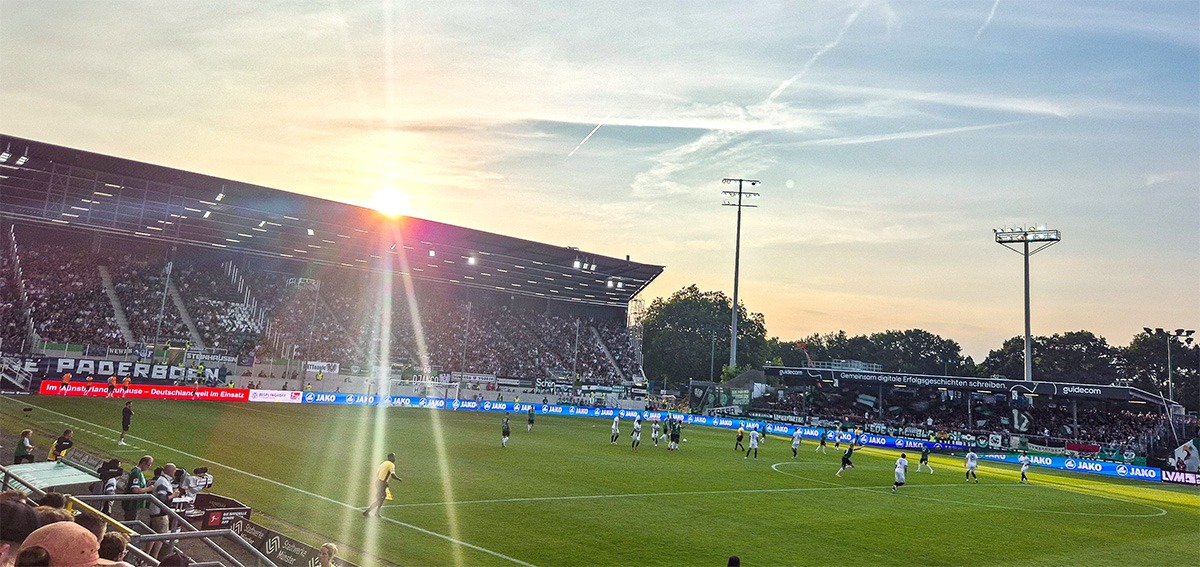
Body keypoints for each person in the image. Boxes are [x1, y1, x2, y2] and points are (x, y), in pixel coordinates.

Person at [148, 463, 179, 558]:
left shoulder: (163, 480)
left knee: (152, 536)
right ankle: (153, 559)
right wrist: (174, 495)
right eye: (174, 471)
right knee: (161, 538)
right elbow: (162, 498)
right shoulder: (163, 482)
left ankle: (145, 558)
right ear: (170, 471)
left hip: (156, 513)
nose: (175, 473)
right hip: (160, 515)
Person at [362, 453, 401, 517]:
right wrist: (399, 479)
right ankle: (367, 512)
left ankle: (376, 513)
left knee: (382, 498)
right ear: (391, 458)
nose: (394, 459)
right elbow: (393, 475)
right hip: (381, 484)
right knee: (380, 499)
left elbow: (378, 473)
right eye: (394, 457)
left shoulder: (384, 463)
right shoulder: (391, 465)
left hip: (378, 482)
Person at [123, 455, 154, 522]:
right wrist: (148, 489)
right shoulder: (136, 473)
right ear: (143, 463)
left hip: (135, 504)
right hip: (132, 504)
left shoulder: (139, 472)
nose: (149, 467)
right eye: (148, 465)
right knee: (130, 523)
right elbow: (135, 490)